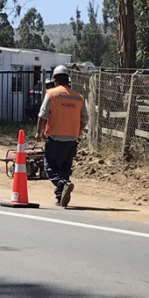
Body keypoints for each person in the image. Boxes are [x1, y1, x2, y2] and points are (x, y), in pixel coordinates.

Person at [35, 65, 87, 207]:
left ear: (55, 81)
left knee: (50, 166)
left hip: (55, 138)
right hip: (71, 139)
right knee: (64, 168)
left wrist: (38, 133)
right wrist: (77, 131)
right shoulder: (78, 97)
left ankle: (63, 184)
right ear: (68, 80)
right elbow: (85, 119)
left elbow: (43, 115)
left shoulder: (52, 94)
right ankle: (61, 196)